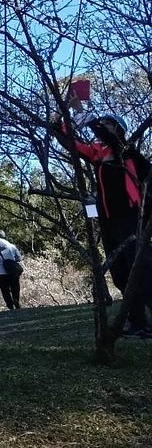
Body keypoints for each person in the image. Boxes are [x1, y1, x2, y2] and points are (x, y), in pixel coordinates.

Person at [52, 105, 151, 336]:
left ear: (118, 130)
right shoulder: (99, 153)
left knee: (143, 271)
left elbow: (110, 139)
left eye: (108, 124)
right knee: (120, 273)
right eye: (103, 123)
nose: (102, 128)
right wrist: (58, 125)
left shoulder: (125, 150)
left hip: (130, 218)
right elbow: (74, 146)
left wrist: (84, 114)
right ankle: (138, 323)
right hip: (109, 222)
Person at [0, 231, 23, 310]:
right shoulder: (12, 246)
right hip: (13, 272)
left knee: (5, 291)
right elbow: (19, 258)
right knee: (15, 289)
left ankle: (10, 306)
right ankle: (17, 303)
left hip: (1, 273)